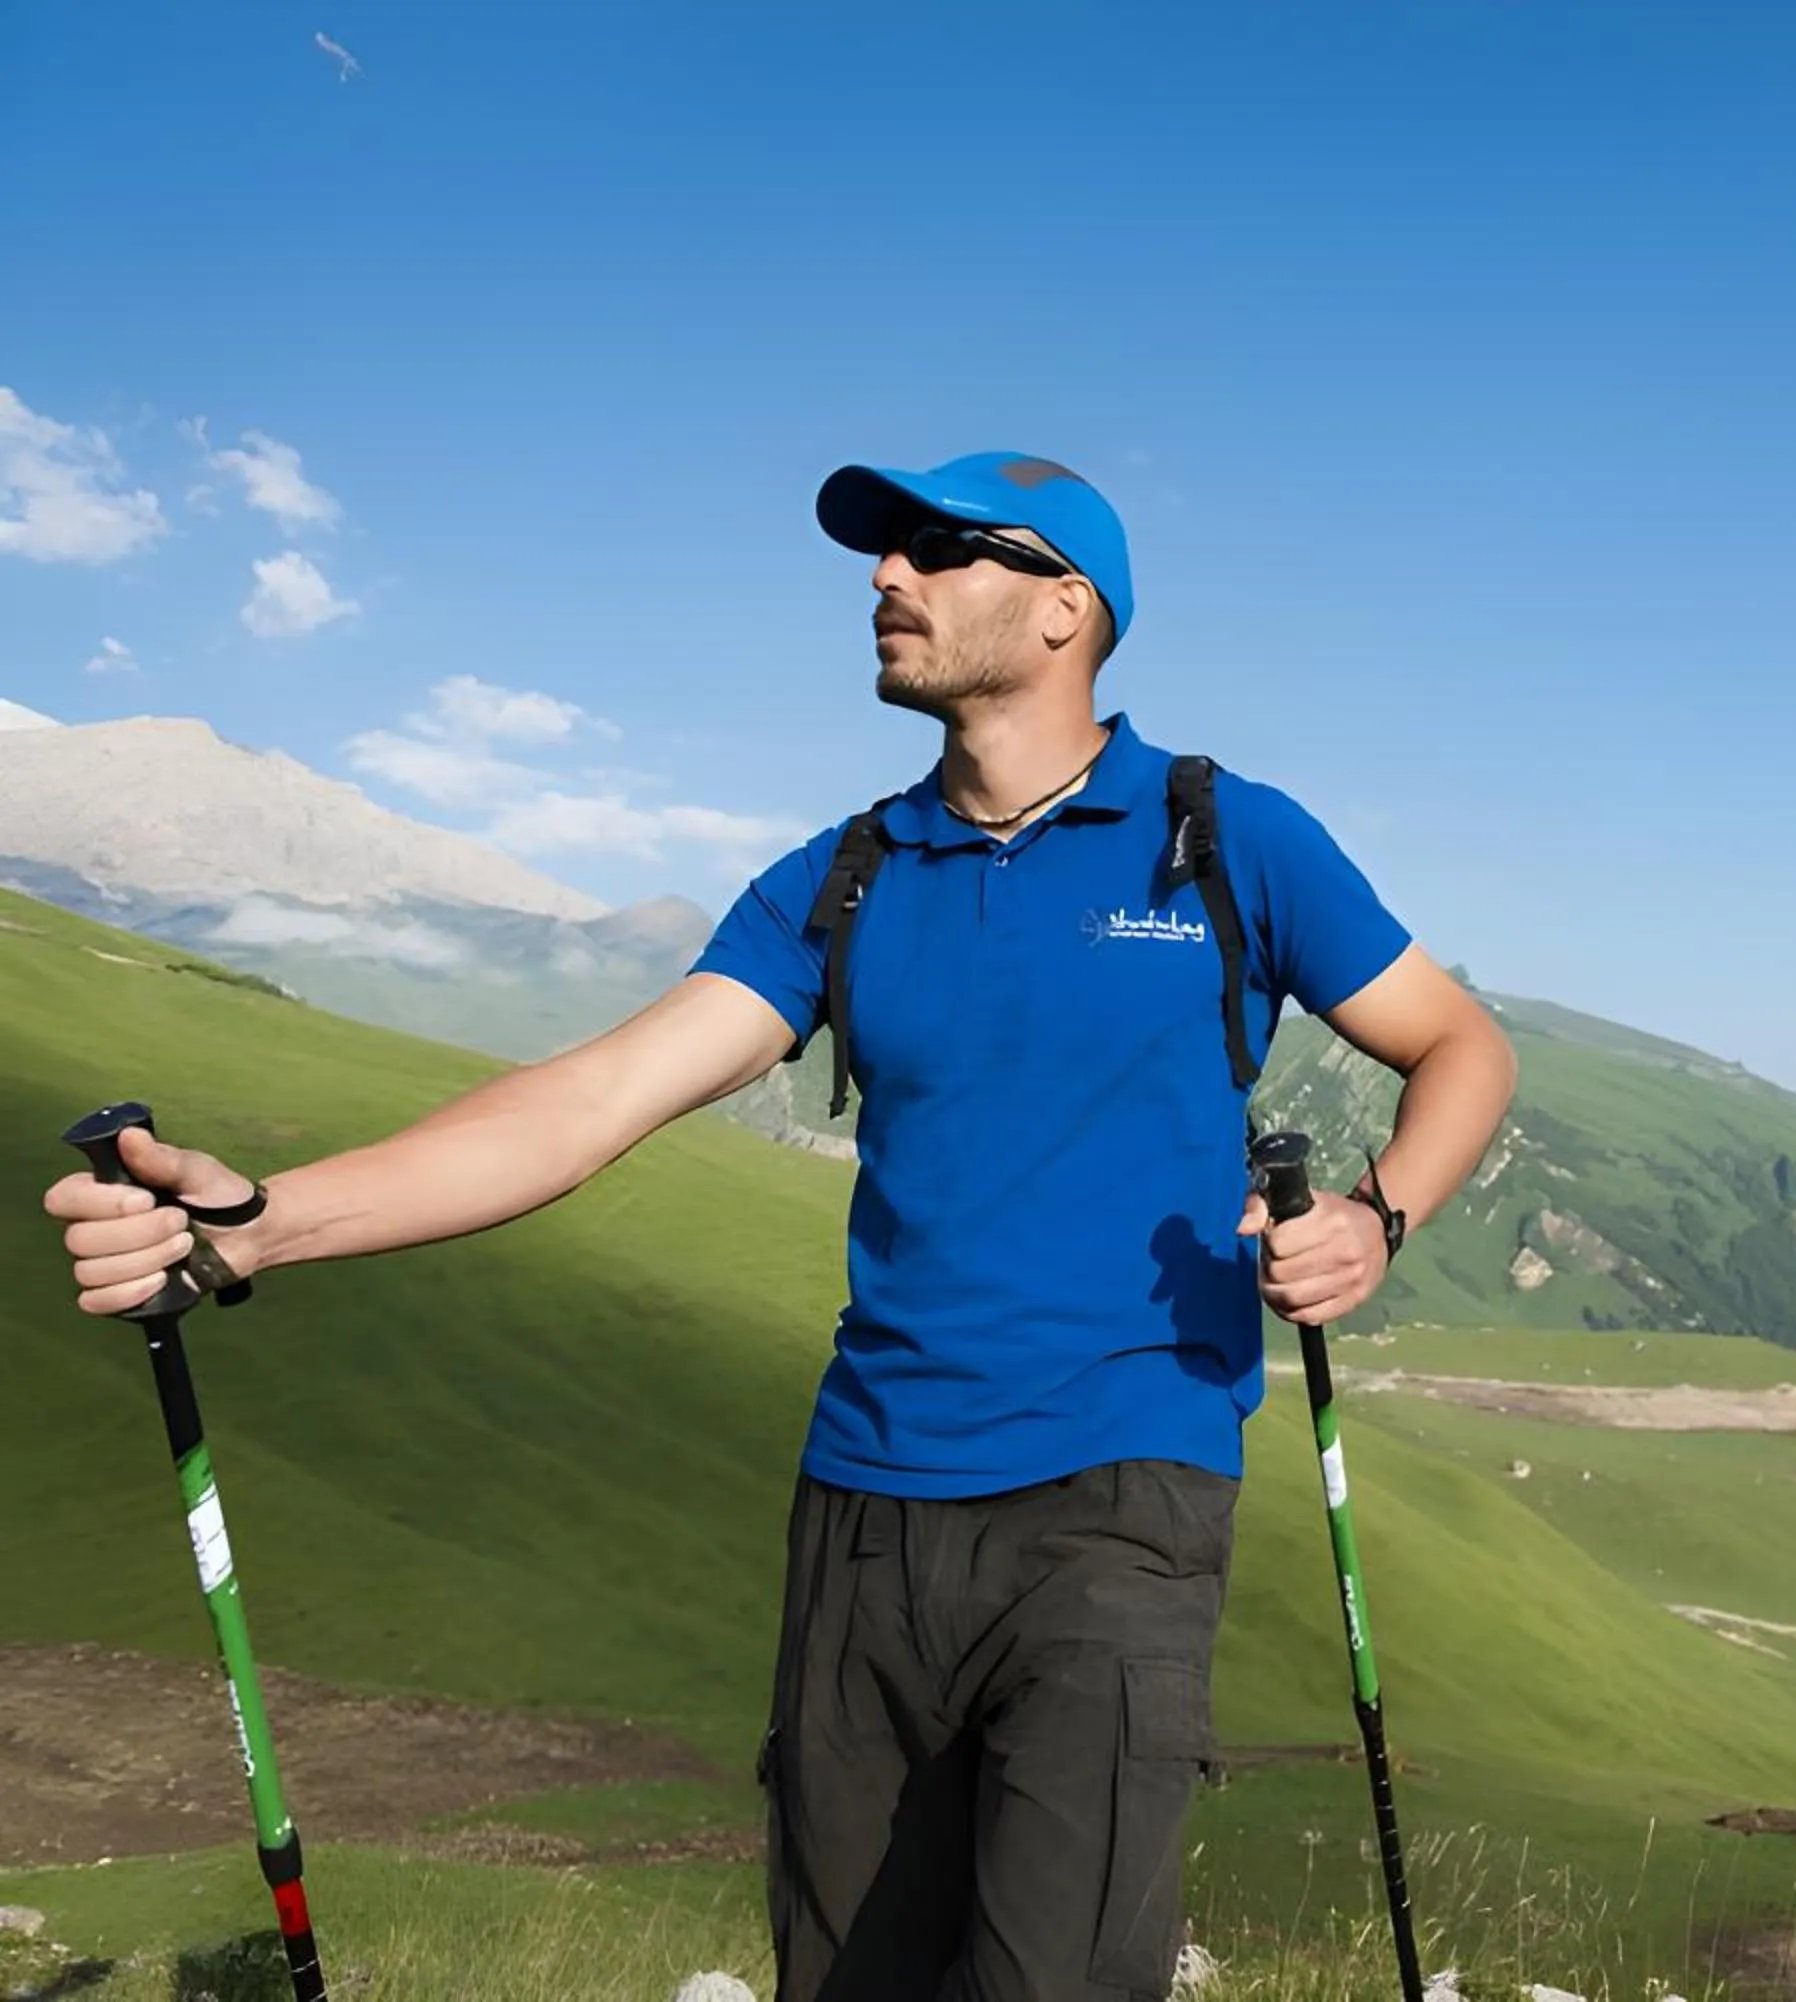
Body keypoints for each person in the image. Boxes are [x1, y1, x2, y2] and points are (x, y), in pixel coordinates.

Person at [41, 448, 1520, 2001]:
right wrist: (260, 1223)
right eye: (886, 549)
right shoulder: (848, 879)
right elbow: (589, 1100)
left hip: (1123, 1497)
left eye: (938, 548)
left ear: (1065, 607)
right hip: (866, 1508)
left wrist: (1376, 1216)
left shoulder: (1223, 838)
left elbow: (1459, 1044)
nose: (887, 574)